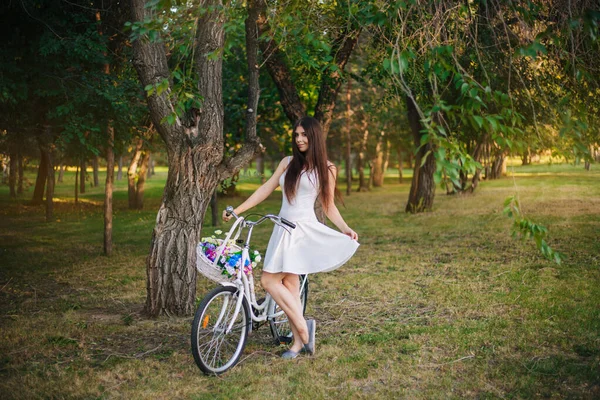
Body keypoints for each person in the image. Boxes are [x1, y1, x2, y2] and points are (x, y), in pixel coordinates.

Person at [222, 116, 359, 359]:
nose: (299, 139)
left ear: (314, 136)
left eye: (304, 135)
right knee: (290, 286)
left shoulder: (327, 168)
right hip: (281, 227)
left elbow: (328, 205)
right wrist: (237, 210)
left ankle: (304, 330)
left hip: (301, 231)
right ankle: (298, 342)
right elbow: (266, 188)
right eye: (296, 135)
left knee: (268, 281)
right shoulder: (288, 163)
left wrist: (345, 228)